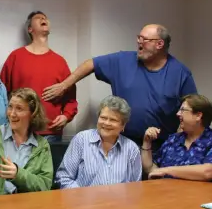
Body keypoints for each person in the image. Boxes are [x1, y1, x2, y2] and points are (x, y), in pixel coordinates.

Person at [42, 24, 197, 151]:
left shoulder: (180, 73)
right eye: (138, 37)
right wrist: (64, 85)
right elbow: (91, 64)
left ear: (160, 44)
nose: (139, 42)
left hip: (161, 146)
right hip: (123, 143)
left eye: (144, 39)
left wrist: (179, 142)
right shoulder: (123, 61)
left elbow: (193, 110)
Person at [0, 11, 77, 143]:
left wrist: (66, 116)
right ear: (30, 29)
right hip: (20, 131)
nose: (43, 18)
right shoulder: (16, 57)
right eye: (38, 18)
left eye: (45, 17)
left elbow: (71, 98)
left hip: (51, 132)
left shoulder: (59, 61)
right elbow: (1, 93)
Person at [142, 94, 212, 185]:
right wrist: (147, 142)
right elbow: (151, 169)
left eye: (183, 110)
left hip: (207, 197)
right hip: (171, 195)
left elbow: (209, 172)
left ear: (198, 116)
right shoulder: (173, 139)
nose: (178, 114)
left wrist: (167, 170)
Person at [55, 95, 142, 188]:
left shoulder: (131, 148)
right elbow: (63, 178)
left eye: (113, 120)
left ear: (123, 126)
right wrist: (83, 198)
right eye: (103, 118)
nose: (107, 123)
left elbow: (135, 186)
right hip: (83, 201)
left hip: (119, 202)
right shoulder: (81, 139)